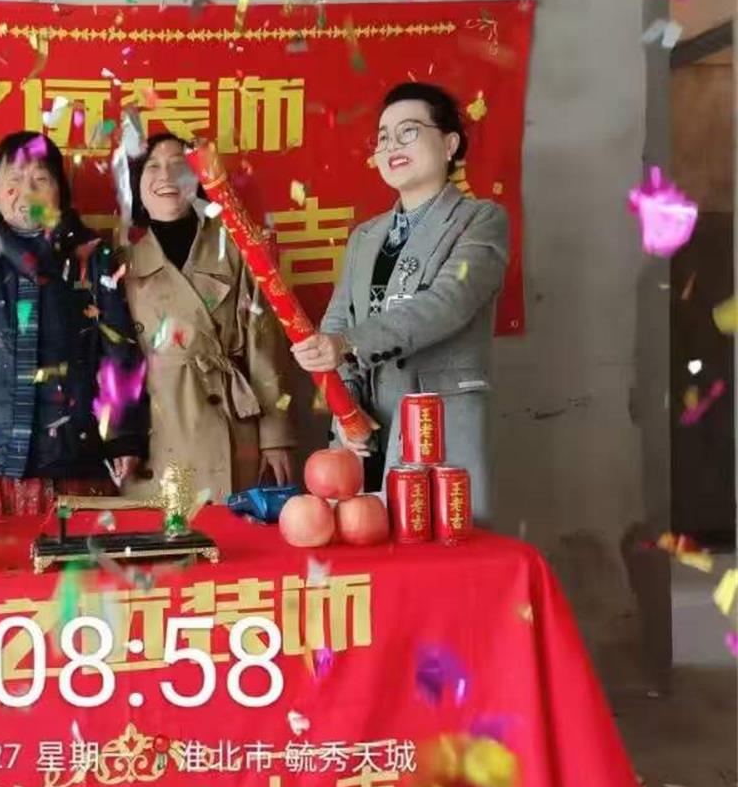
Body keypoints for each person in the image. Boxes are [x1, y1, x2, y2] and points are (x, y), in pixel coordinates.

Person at [292, 82, 508, 523]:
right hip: (367, 429)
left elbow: (448, 302)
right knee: (369, 548)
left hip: (437, 420)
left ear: (449, 143)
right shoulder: (365, 237)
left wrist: (347, 344)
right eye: (383, 137)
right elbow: (338, 324)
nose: (391, 145)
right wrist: (346, 409)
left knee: (442, 546)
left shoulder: (480, 220)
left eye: (408, 131)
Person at [0, 131, 146, 516]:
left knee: (74, 556)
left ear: (59, 191)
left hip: (75, 461)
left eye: (40, 179)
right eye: (14, 180)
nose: (27, 191)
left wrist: (125, 437)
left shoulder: (92, 257)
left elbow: (118, 351)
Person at [122, 133, 295, 501]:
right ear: (136, 184)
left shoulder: (235, 246)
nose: (166, 176)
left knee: (229, 530)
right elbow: (110, 359)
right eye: (152, 166)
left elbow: (263, 344)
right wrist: (119, 439)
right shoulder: (120, 260)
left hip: (231, 423)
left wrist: (274, 436)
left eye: (178, 165)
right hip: (155, 431)